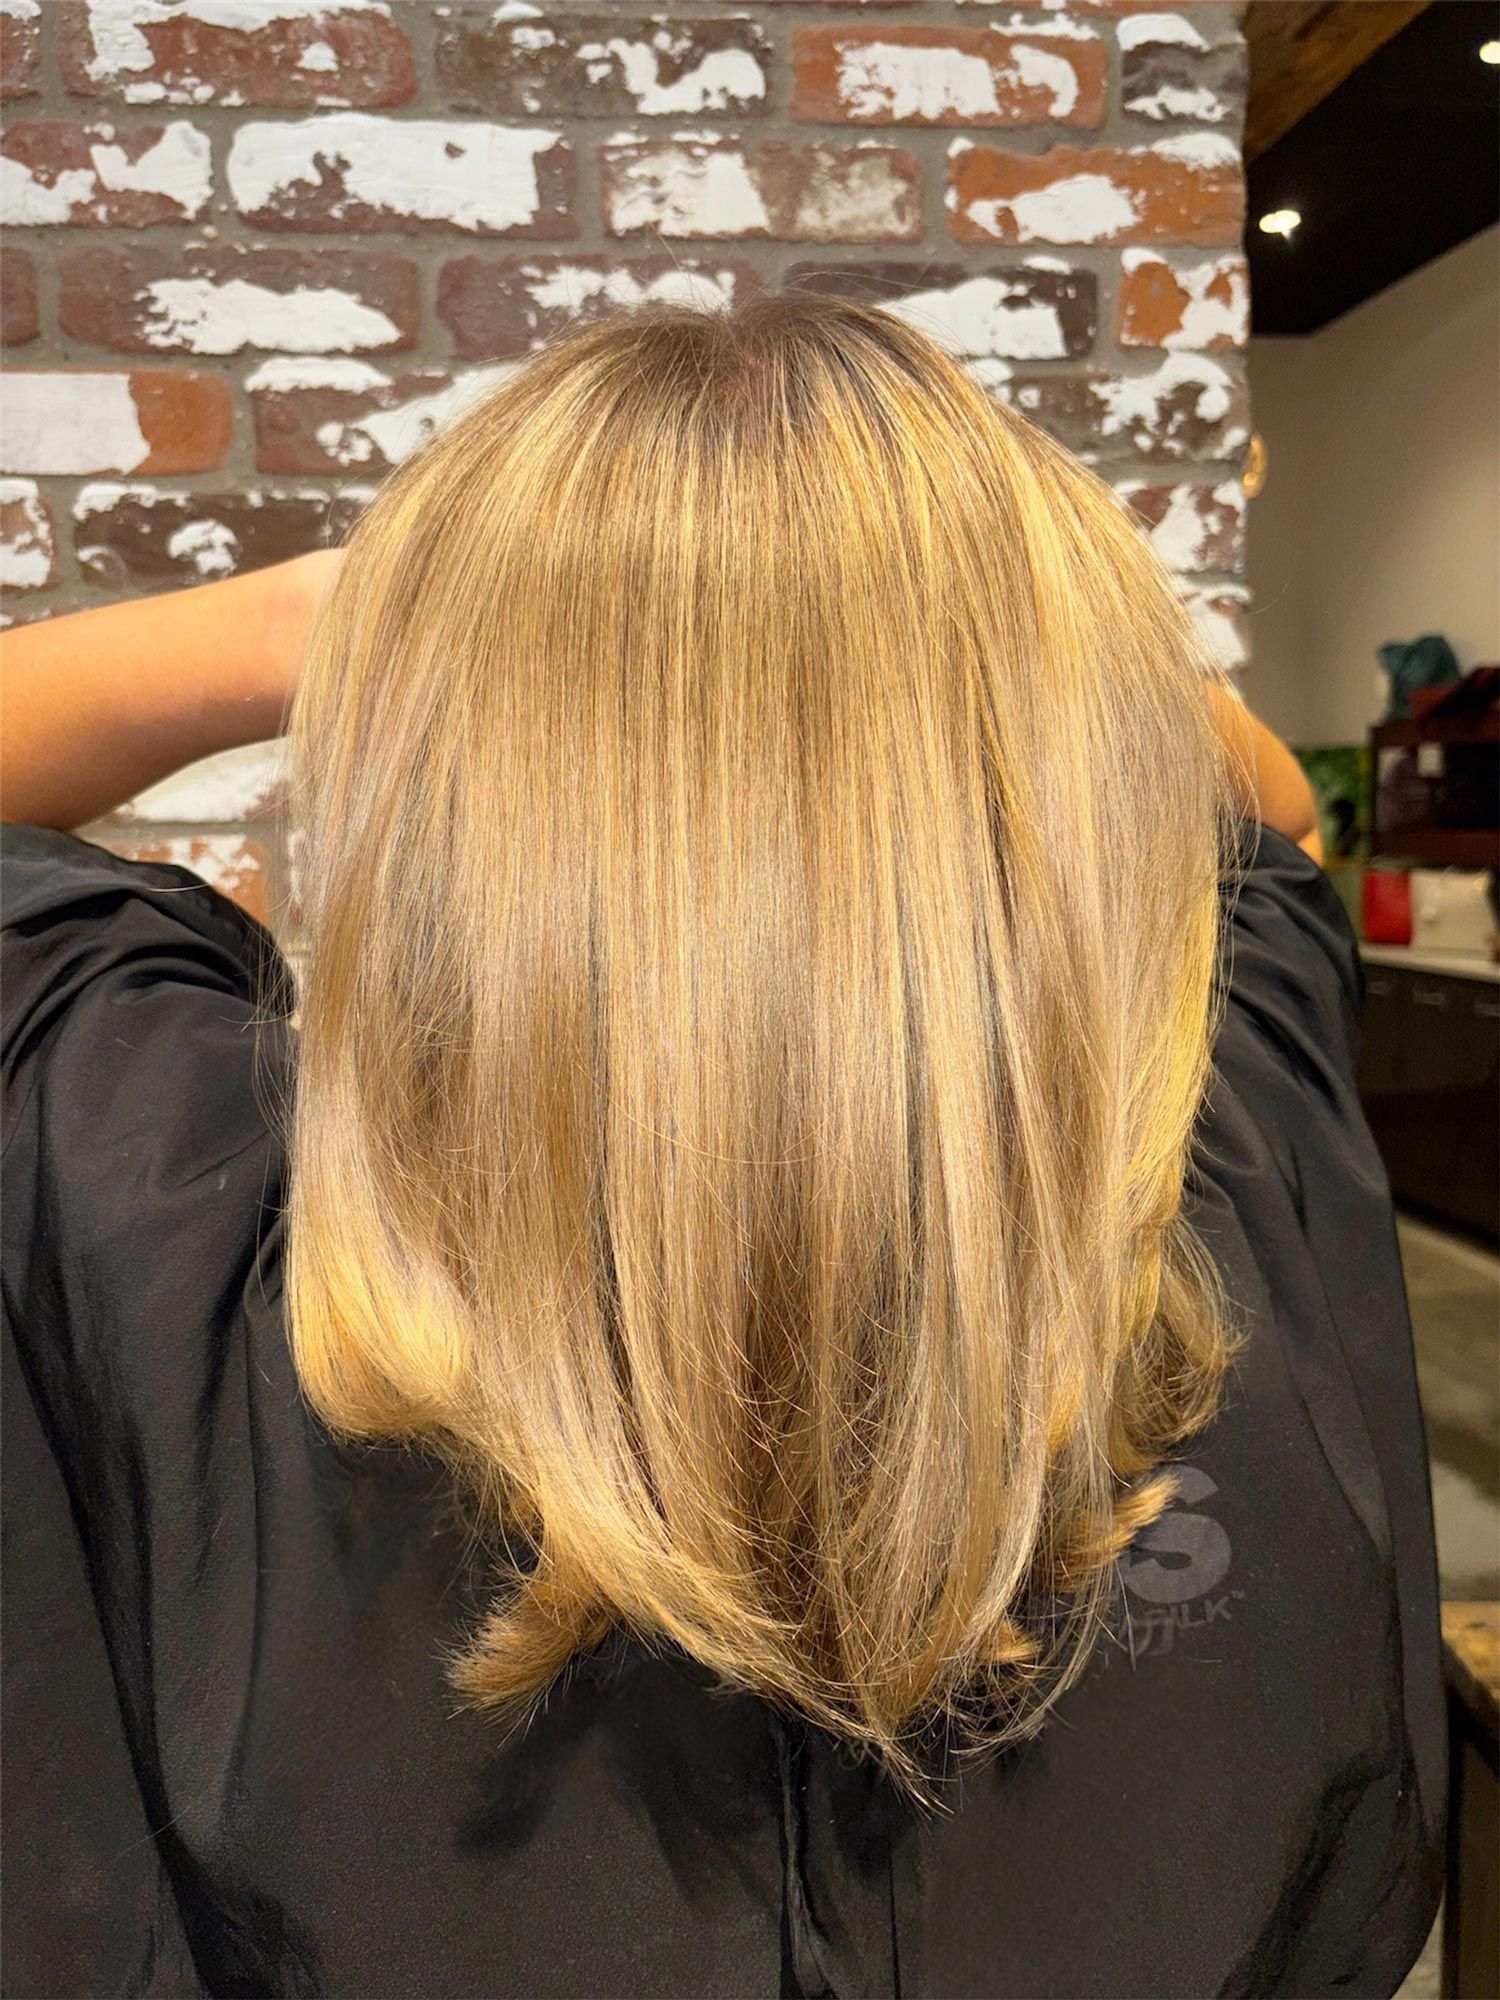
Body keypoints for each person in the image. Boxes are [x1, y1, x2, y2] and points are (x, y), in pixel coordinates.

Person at [1, 298, 1442, 1999]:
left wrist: (362, 611)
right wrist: (992, 630)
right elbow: (1266, 816)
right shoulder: (1233, 1200)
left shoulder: (177, 1233)